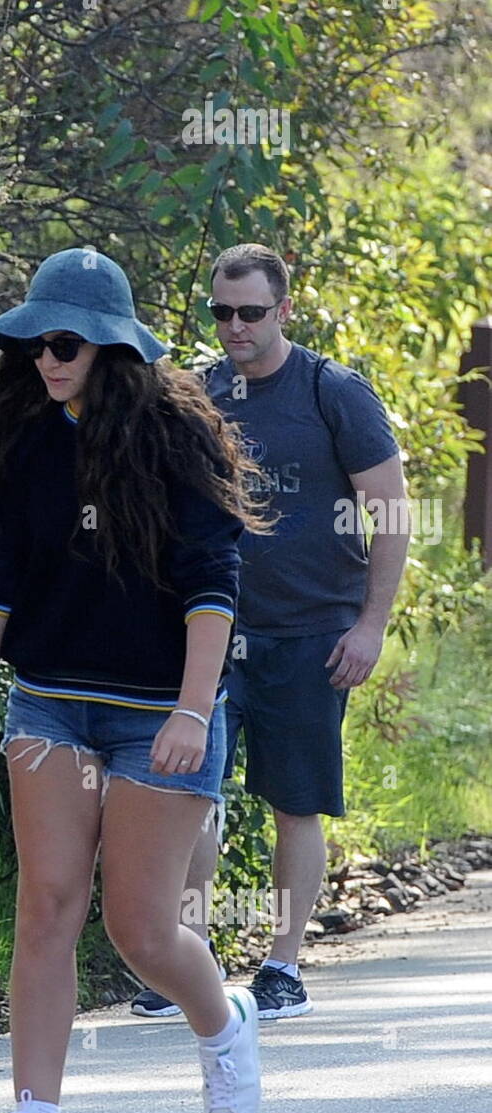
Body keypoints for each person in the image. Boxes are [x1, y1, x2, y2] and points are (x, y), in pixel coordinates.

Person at [0, 248, 270, 1113]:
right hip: (50, 703)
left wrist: (195, 714)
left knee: (141, 930)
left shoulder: (177, 437)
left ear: (113, 351)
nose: (48, 359)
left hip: (160, 709)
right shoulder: (25, 435)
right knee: (45, 906)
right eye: (37, 343)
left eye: (68, 345)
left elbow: (215, 585)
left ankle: (222, 1020)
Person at [130, 243, 406, 1022]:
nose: (235, 327)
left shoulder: (333, 393)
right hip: (212, 631)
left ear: (284, 310)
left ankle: (283, 966)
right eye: (222, 312)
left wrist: (370, 625)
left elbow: (390, 509)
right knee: (190, 797)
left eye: (251, 313)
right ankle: (185, 961)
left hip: (312, 630)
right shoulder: (201, 392)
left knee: (296, 803)